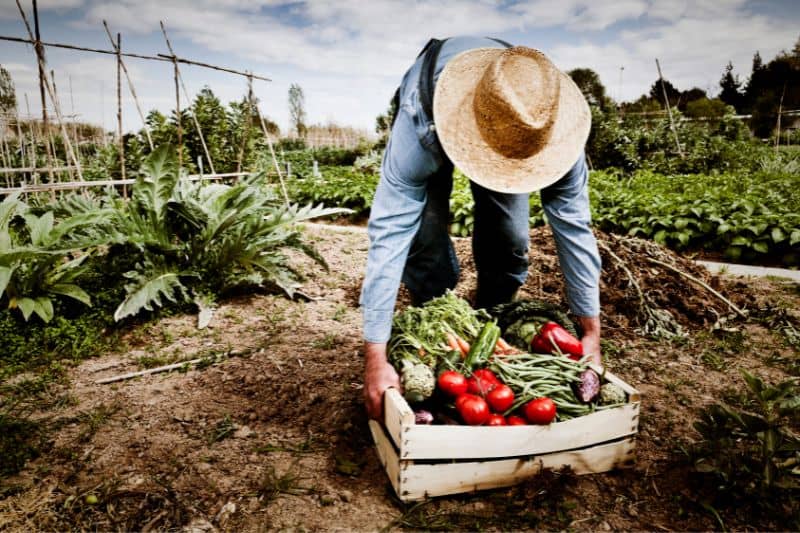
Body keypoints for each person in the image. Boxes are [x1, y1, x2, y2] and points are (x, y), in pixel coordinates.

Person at [360, 36, 602, 420]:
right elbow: (389, 232)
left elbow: (574, 228)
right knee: (424, 238)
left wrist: (592, 332)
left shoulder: (548, 127)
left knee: (510, 237)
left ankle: (492, 319)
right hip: (434, 105)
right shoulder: (419, 124)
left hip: (509, 125)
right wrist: (374, 357)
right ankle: (435, 320)